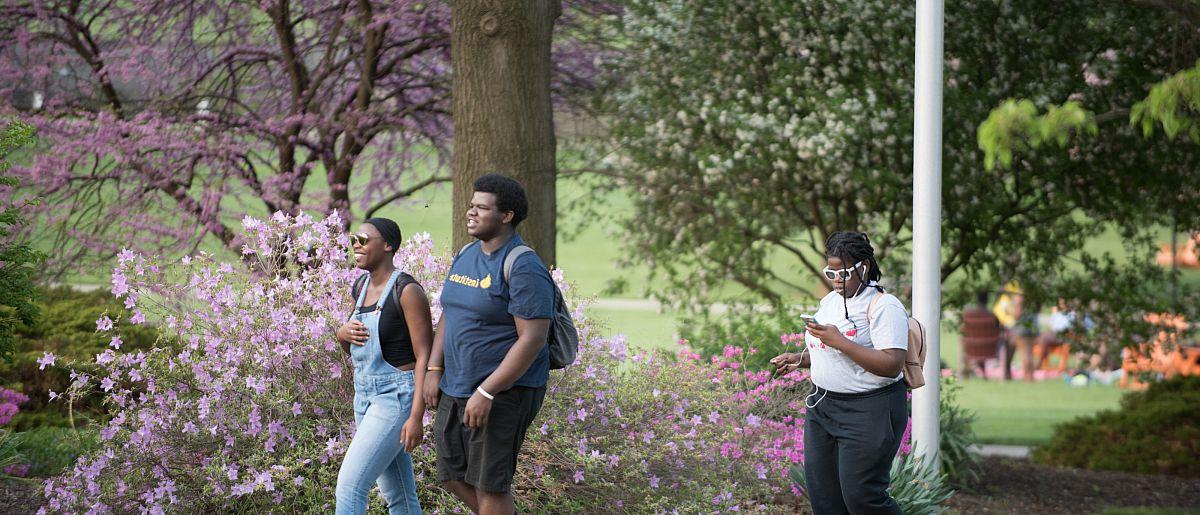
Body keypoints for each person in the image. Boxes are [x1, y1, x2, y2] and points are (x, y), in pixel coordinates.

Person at [423, 173, 554, 515]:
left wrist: (488, 391)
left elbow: (533, 338)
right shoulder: (467, 254)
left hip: (503, 392)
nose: (471, 213)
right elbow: (449, 313)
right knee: (451, 473)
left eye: (482, 208)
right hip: (457, 384)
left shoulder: (523, 265)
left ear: (506, 215)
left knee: (489, 484)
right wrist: (434, 369)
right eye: (471, 206)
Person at [770, 231, 910, 515]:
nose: (836, 279)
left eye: (844, 273)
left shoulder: (884, 306)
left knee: (863, 498)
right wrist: (802, 359)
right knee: (826, 500)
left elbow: (891, 364)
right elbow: (831, 350)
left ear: (864, 267)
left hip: (869, 410)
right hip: (823, 408)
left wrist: (840, 341)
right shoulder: (830, 302)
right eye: (831, 272)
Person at [334, 218, 432, 515]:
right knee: (399, 494)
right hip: (363, 396)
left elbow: (424, 356)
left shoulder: (407, 290)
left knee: (350, 487)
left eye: (363, 239)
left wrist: (417, 416)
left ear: (388, 245)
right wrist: (341, 334)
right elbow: (354, 349)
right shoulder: (360, 286)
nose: (355, 245)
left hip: (396, 398)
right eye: (353, 239)